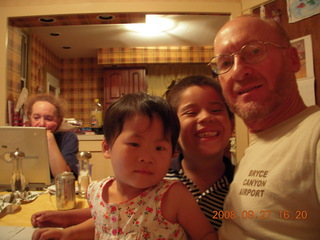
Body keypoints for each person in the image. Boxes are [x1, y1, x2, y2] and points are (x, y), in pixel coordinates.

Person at [32, 92, 218, 240]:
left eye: (159, 147)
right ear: (107, 148)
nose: (147, 157)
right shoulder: (97, 191)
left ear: (172, 154)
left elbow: (206, 235)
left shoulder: (173, 196)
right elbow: (104, 224)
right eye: (135, 144)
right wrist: (68, 233)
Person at [209, 15, 320, 239]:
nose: (239, 71)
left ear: (293, 60)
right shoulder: (257, 146)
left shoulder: (315, 134)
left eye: (254, 51)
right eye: (225, 63)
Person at [165, 75, 235, 230]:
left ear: (232, 124)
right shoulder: (156, 178)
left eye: (216, 110)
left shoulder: (242, 184)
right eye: (191, 112)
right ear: (173, 128)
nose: (205, 117)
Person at [25, 94, 79, 178]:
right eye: (36, 118)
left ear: (59, 120)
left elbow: (63, 177)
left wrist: (49, 138)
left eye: (48, 119)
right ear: (29, 117)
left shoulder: (68, 138)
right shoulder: (22, 137)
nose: (42, 123)